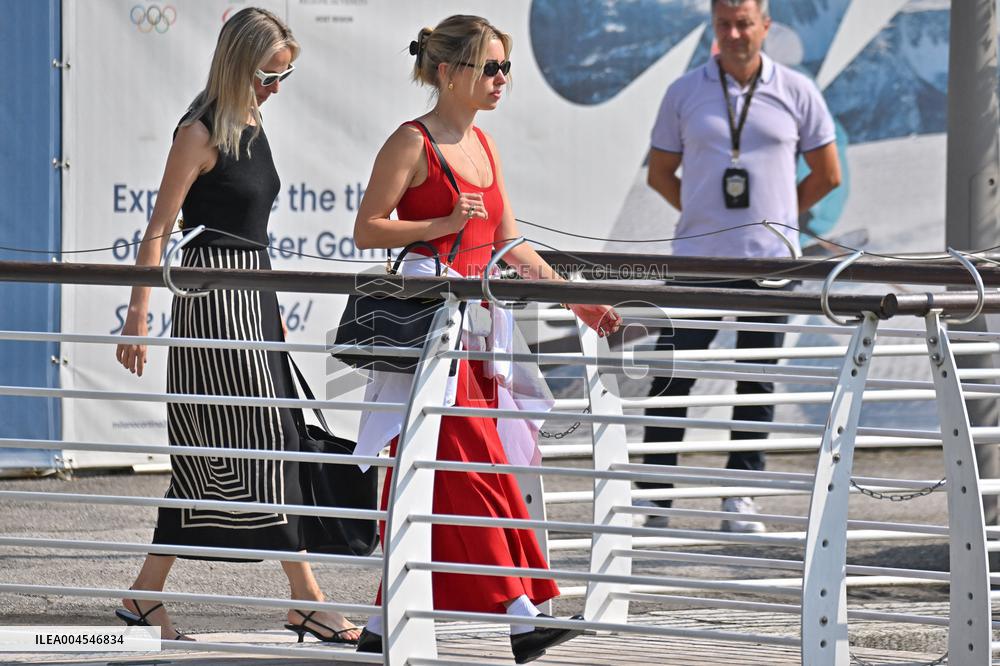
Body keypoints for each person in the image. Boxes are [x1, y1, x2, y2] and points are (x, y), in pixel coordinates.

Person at [350, 14, 622, 664]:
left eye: (505, 68)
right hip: (428, 335)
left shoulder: (486, 147)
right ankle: (522, 615)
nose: (502, 79)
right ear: (448, 73)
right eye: (490, 67)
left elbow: (509, 244)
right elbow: (368, 230)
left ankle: (381, 625)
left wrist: (574, 298)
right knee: (470, 470)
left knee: (453, 475)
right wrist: (439, 222)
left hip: (475, 339)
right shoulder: (412, 143)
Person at [114, 8, 360, 644]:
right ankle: (305, 598)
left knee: (240, 446)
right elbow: (159, 230)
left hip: (256, 300)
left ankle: (144, 597)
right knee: (255, 441)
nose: (276, 87)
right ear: (237, 66)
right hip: (212, 306)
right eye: (269, 75)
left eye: (286, 76)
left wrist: (271, 305)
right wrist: (137, 315)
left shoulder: (255, 121)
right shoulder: (198, 133)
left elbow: (254, 230)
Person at [638, 0, 841, 532]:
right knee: (671, 378)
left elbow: (828, 172)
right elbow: (660, 173)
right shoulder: (684, 92)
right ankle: (653, 498)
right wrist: (706, 214)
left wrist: (779, 216)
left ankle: (739, 496)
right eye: (725, 24)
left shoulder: (797, 90)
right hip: (698, 262)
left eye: (744, 23)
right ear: (714, 27)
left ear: (765, 27)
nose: (734, 34)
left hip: (772, 263)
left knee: (756, 380)